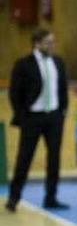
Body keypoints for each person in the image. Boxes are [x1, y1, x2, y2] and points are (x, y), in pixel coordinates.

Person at [6, 28, 69, 212]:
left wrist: (62, 111)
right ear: (37, 43)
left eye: (53, 42)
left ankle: (51, 197)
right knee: (24, 158)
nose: (52, 45)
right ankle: (13, 198)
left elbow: (63, 88)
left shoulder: (58, 62)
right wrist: (22, 115)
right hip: (33, 118)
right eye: (48, 42)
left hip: (54, 117)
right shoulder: (23, 64)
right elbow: (14, 93)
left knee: (54, 159)